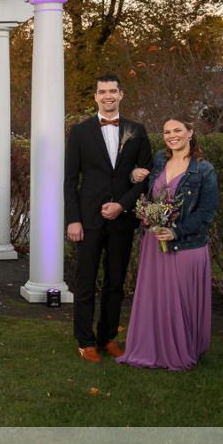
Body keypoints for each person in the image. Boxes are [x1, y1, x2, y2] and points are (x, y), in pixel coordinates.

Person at [117, 116, 218, 370]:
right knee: (155, 298)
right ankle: (151, 347)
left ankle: (179, 350)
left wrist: (176, 232)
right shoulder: (160, 161)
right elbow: (146, 190)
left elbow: (207, 212)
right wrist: (133, 175)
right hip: (155, 243)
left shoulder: (203, 169)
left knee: (180, 300)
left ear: (190, 132)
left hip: (185, 245)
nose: (172, 135)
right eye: (166, 132)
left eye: (177, 130)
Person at [64, 74, 152, 363]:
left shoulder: (137, 131)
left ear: (121, 94)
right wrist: (73, 219)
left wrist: (123, 205)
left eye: (113, 91)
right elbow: (69, 179)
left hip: (122, 219)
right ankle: (85, 340)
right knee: (85, 280)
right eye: (102, 92)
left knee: (116, 281)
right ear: (96, 97)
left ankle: (108, 336)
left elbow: (144, 176)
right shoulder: (80, 131)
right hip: (88, 219)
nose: (108, 96)